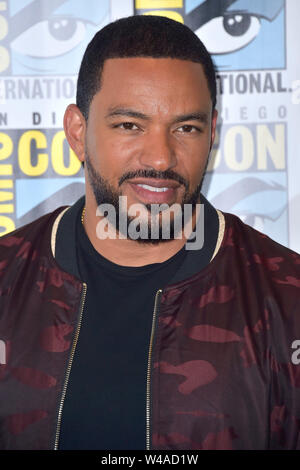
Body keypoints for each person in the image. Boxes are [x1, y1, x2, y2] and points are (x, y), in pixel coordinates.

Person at [0, 15, 299, 451]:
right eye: (129, 125)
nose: (160, 158)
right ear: (78, 134)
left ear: (212, 134)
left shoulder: (288, 299)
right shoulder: (7, 280)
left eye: (186, 128)